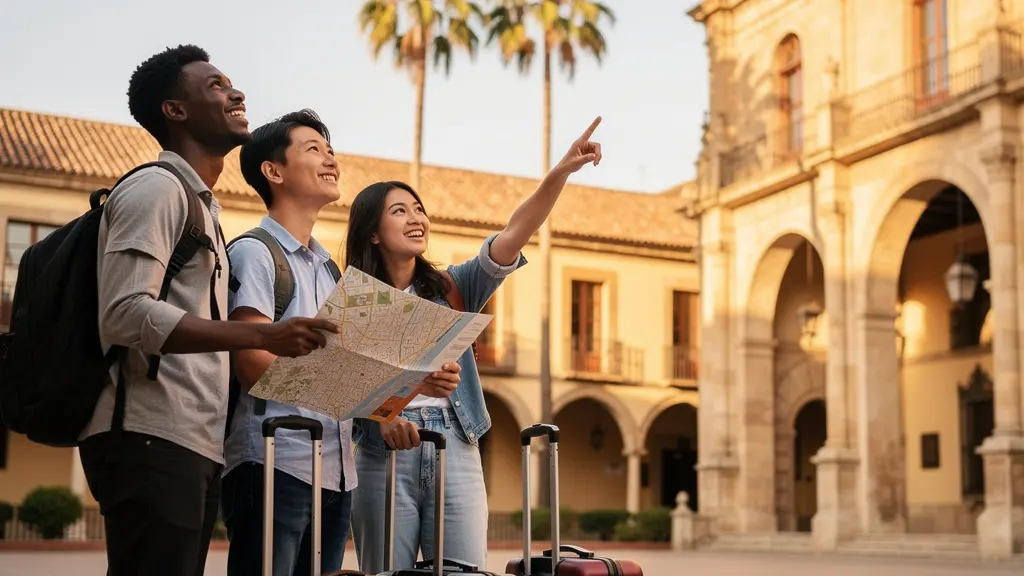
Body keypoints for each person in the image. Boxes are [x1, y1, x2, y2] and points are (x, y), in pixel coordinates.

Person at [76, 46, 338, 576]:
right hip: (150, 433)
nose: (235, 92)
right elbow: (124, 314)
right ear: (175, 110)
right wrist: (262, 336)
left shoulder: (202, 208)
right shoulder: (157, 187)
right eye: (215, 86)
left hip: (190, 439)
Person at [349, 116, 604, 572]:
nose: (416, 218)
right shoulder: (355, 303)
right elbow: (339, 384)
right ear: (372, 231)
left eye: (419, 208)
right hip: (382, 457)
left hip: (457, 446)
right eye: (400, 211)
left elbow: (515, 231)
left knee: (464, 572)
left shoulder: (454, 286)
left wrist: (561, 171)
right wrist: (384, 410)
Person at [221, 108, 462, 576]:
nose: (330, 159)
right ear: (273, 171)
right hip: (275, 463)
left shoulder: (329, 270)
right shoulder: (255, 253)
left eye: (330, 150)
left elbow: (345, 370)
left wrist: (413, 383)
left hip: (335, 473)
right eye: (313, 149)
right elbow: (251, 365)